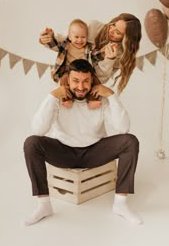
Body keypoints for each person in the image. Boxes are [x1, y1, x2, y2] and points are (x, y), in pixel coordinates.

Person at [24, 59, 143, 226]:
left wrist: (111, 94)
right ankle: (43, 205)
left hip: (94, 151)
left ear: (92, 80)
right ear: (68, 80)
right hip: (63, 151)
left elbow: (123, 128)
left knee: (130, 141)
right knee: (31, 143)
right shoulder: (58, 99)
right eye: (76, 81)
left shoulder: (101, 98)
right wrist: (51, 96)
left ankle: (120, 204)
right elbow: (38, 130)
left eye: (86, 81)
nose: (81, 86)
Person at [40, 13, 142, 94]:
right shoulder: (93, 27)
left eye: (118, 33)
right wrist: (48, 39)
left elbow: (100, 79)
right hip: (67, 74)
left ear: (126, 39)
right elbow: (66, 39)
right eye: (113, 25)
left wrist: (109, 60)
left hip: (86, 84)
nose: (111, 31)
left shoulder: (120, 55)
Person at [39, 18, 116, 108]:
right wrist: (50, 38)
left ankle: (92, 100)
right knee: (64, 82)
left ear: (87, 37)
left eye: (83, 37)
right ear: (69, 37)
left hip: (85, 72)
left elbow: (96, 55)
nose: (80, 40)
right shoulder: (65, 46)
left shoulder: (89, 48)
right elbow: (54, 45)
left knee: (95, 82)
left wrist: (104, 52)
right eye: (76, 37)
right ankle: (67, 99)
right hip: (68, 71)